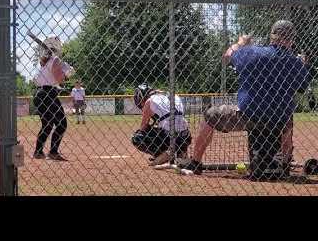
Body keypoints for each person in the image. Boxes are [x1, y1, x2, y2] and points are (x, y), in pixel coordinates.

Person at [180, 20, 311, 181]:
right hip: (278, 120)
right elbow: (301, 88)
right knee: (287, 119)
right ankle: (284, 165)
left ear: (272, 37)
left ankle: (195, 163)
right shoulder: (295, 62)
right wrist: (302, 64)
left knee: (210, 116)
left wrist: (240, 43)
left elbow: (227, 55)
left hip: (248, 115)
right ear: (291, 40)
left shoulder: (253, 52)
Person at [32, 35, 74, 161]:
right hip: (48, 95)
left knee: (48, 124)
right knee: (62, 123)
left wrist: (63, 71)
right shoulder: (54, 60)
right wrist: (67, 74)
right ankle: (53, 152)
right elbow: (59, 78)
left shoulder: (45, 63)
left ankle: (38, 152)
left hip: (39, 94)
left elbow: (49, 80)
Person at [131, 84, 192, 167]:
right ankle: (180, 152)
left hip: (168, 137)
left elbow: (143, 127)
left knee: (137, 137)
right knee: (173, 125)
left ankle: (164, 155)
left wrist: (151, 126)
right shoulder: (172, 95)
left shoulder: (149, 101)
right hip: (185, 136)